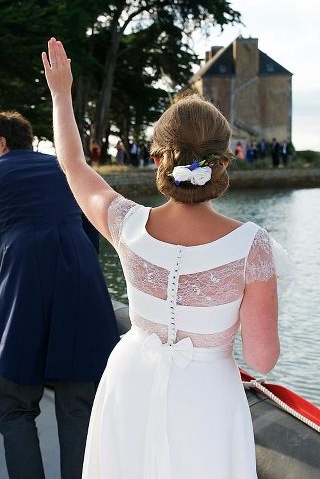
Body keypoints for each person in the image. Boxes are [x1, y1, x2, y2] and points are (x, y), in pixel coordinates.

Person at [42, 37, 285, 478]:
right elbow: (262, 359)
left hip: (129, 380)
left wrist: (62, 93)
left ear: (158, 158)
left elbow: (74, 165)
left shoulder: (127, 225)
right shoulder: (252, 247)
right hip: (207, 399)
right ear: (223, 162)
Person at [0, 111, 119, 479]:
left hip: (24, 286)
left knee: (15, 406)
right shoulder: (66, 166)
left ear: (1, 143)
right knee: (79, 407)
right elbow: (90, 228)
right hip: (81, 278)